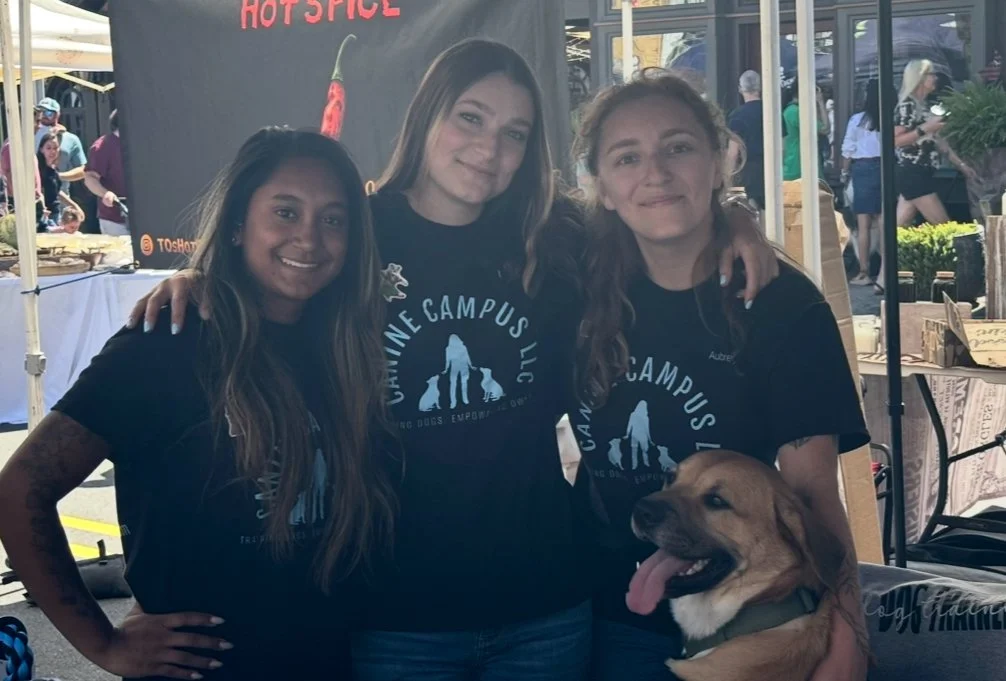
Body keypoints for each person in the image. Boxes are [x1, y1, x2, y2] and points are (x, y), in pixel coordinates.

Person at [129, 39, 777, 680]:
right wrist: (205, 277)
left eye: (515, 132)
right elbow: (282, 270)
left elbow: (650, 217)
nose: (489, 147)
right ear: (427, 115)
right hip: (395, 608)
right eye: (470, 117)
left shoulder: (551, 233)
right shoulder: (357, 231)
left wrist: (734, 217)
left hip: (544, 603)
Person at [0, 127, 398, 680]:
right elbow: (19, 490)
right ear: (237, 225)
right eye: (285, 212)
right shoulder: (168, 340)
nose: (309, 237)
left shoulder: (343, 344)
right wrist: (104, 643)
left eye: (333, 219)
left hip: (335, 661)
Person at [569, 68, 871, 681]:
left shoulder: (785, 309)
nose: (655, 173)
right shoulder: (576, 283)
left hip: (747, 629)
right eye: (628, 158)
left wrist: (848, 638)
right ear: (601, 185)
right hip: (602, 614)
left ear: (719, 159)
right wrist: (739, 218)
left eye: (678, 147)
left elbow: (812, 498)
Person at [894, 59, 976, 226]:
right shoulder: (907, 105)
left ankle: (886, 252)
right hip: (913, 172)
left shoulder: (924, 106)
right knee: (945, 227)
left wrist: (961, 165)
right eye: (931, 74)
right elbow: (896, 141)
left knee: (899, 229)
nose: (935, 78)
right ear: (920, 78)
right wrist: (926, 128)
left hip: (921, 172)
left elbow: (939, 142)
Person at [841, 79, 884, 293]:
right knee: (884, 220)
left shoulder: (858, 120)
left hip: (863, 169)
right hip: (885, 168)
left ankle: (864, 272)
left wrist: (843, 172)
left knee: (863, 223)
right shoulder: (890, 117)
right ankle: (886, 270)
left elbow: (847, 148)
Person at [85, 109, 128, 235]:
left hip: (143, 217)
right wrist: (105, 193)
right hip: (115, 219)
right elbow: (90, 178)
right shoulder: (103, 146)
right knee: (119, 255)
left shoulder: (141, 143)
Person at [727, 70, 765, 209]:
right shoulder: (772, 111)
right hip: (772, 169)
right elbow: (783, 147)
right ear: (760, 87)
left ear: (740, 89)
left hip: (749, 170)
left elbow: (733, 152)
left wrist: (727, 178)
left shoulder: (737, 115)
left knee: (753, 210)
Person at [782, 77, 831, 181]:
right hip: (801, 167)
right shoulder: (798, 112)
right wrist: (820, 101)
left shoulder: (789, 110)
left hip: (791, 166)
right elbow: (825, 128)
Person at [37, 131, 84, 232]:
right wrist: (41, 211)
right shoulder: (39, 171)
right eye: (48, 148)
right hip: (45, 216)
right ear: (41, 149)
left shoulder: (53, 170)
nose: (52, 151)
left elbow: (57, 192)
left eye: (55, 148)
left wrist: (74, 205)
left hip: (56, 213)